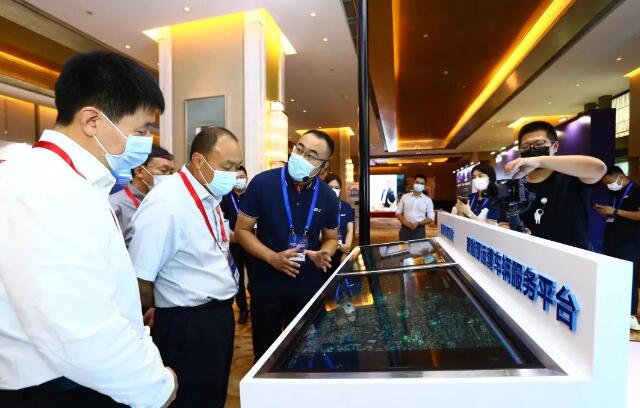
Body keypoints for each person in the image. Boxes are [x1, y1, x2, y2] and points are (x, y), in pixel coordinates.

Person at [0, 51, 177, 408]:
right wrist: (155, 386)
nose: (144, 143)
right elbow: (77, 329)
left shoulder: (70, 180)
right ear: (93, 121)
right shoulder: (47, 187)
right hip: (60, 388)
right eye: (140, 131)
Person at [128, 127, 242, 408]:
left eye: (236, 167)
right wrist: (161, 304)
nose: (233, 174)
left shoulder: (208, 196)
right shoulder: (167, 203)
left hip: (217, 317)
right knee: (191, 399)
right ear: (199, 162)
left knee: (212, 396)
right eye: (227, 166)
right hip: (187, 324)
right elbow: (140, 277)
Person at [235, 130, 340, 362]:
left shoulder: (327, 196)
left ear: (323, 165)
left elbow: (331, 237)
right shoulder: (263, 183)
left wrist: (324, 252)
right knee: (266, 354)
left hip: (306, 286)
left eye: (311, 155)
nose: (301, 157)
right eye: (299, 149)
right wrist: (272, 258)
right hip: (267, 284)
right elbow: (241, 231)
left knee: (302, 354)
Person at [505, 121, 606, 249]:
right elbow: (506, 223)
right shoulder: (516, 186)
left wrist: (539, 161)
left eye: (539, 144)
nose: (532, 150)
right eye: (525, 146)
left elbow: (599, 169)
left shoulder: (571, 176)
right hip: (527, 256)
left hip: (569, 258)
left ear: (555, 146)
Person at [594, 166, 640, 331]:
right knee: (612, 276)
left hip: (629, 242)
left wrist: (616, 211)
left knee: (629, 277)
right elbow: (615, 214)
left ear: (620, 176)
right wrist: (606, 212)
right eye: (606, 184)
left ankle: (630, 314)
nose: (609, 186)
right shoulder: (615, 192)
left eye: (610, 182)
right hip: (611, 240)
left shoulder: (636, 190)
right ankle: (614, 310)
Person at [109, 144, 174, 246]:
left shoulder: (166, 202)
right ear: (139, 171)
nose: (168, 177)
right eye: (163, 170)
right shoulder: (114, 205)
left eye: (171, 172)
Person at [220, 165, 251, 324]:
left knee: (254, 275)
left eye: (242, 177)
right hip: (234, 243)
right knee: (237, 277)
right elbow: (220, 219)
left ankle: (256, 305)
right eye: (236, 177)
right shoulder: (224, 197)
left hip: (252, 242)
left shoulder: (252, 196)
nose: (239, 180)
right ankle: (243, 309)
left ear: (247, 178)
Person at [325, 173, 355, 272]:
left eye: (337, 188)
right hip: (326, 252)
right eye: (330, 187)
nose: (334, 190)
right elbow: (318, 234)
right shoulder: (320, 207)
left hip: (343, 252)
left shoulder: (346, 207)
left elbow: (350, 231)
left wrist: (347, 249)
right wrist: (338, 246)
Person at [396, 174, 435, 241]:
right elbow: (398, 212)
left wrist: (419, 223)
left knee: (418, 247)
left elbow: (431, 217)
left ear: (424, 186)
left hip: (419, 230)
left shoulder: (428, 200)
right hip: (404, 229)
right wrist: (404, 221)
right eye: (417, 182)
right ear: (413, 183)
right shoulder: (405, 197)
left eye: (421, 183)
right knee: (403, 247)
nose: (419, 185)